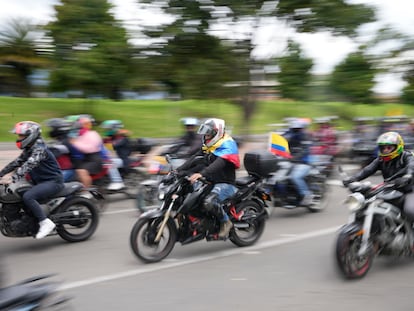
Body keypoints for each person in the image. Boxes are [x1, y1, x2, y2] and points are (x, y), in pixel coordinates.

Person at [176, 118, 240, 238]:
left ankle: (226, 222)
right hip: (210, 181)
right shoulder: (210, 145)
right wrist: (179, 170)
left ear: (217, 132)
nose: (206, 136)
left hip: (225, 183)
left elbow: (218, 164)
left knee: (209, 201)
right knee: (187, 194)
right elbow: (194, 158)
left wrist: (202, 173)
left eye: (208, 133)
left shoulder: (227, 145)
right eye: (205, 133)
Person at [0, 121, 64, 239]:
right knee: (17, 193)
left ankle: (45, 222)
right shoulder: (29, 149)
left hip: (52, 182)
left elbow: (28, 165)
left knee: (28, 196)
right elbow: (16, 163)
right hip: (38, 181)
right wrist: (1, 174)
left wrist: (13, 178)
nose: (19, 138)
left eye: (21, 136)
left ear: (31, 135)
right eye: (18, 136)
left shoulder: (40, 149)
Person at [343, 131, 414, 222]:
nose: (385, 150)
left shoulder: (406, 156)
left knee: (410, 211)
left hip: (408, 190)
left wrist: (407, 176)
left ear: (398, 146)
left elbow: (411, 166)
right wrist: (353, 179)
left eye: (389, 147)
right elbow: (367, 170)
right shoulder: (381, 160)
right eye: (383, 148)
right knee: (368, 205)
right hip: (389, 189)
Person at [68, 116, 125, 191]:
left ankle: (117, 181)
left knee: (110, 164)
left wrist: (107, 156)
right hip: (103, 158)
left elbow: (105, 149)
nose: (107, 130)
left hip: (114, 159)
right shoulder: (107, 138)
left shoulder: (121, 139)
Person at [283, 118, 313, 206]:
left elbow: (305, 150)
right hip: (290, 161)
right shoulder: (288, 134)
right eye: (293, 128)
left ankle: (307, 195)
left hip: (303, 163)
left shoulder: (305, 136)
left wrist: (295, 157)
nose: (295, 130)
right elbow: (281, 142)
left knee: (295, 177)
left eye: (297, 129)